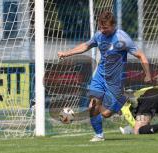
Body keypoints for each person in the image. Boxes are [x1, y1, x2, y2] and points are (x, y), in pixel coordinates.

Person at [58, 11, 152, 141]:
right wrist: (67, 53)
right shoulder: (99, 35)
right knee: (93, 105)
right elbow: (86, 45)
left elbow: (141, 55)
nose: (102, 30)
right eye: (100, 27)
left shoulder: (122, 38)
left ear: (113, 25)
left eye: (105, 28)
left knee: (106, 113)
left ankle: (123, 98)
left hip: (116, 80)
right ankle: (99, 135)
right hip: (100, 76)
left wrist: (147, 74)